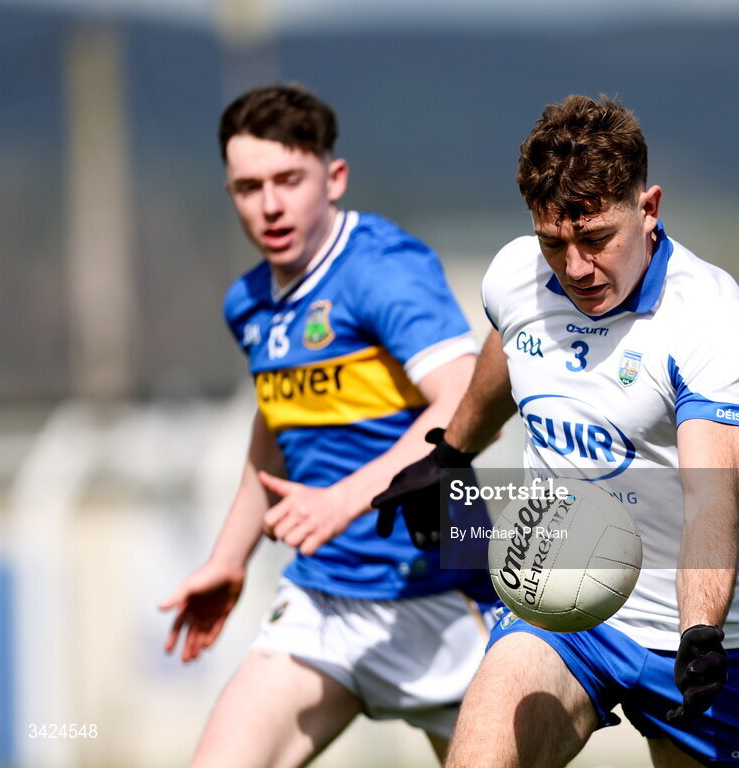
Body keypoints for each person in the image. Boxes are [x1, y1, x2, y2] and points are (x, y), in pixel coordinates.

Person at [373, 95, 739, 768]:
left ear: (648, 209)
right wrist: (451, 451)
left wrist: (702, 628)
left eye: (596, 240)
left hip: (697, 638)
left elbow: (714, 495)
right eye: (553, 244)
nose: (576, 268)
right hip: (559, 606)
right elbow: (509, 351)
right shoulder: (517, 277)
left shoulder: (709, 317)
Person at [159, 83, 494, 768]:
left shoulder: (383, 270)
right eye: (249, 187)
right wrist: (229, 559)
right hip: (324, 601)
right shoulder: (249, 302)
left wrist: (347, 498)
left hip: (441, 596)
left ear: (333, 177)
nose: (271, 204)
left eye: (289, 179)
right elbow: (276, 426)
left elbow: (463, 399)